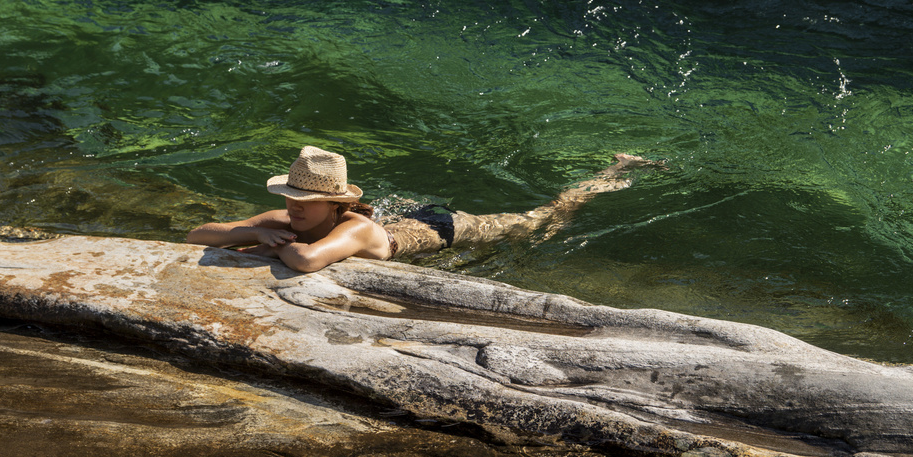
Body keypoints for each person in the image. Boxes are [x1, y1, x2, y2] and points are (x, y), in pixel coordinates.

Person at [186, 145, 655, 272]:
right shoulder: (283, 221)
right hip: (401, 218)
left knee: (543, 218)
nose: (293, 210)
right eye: (290, 200)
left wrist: (267, 251)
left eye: (305, 203)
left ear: (336, 205)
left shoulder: (352, 230)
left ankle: (609, 178)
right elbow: (197, 235)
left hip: (442, 230)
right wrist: (244, 234)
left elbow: (306, 260)